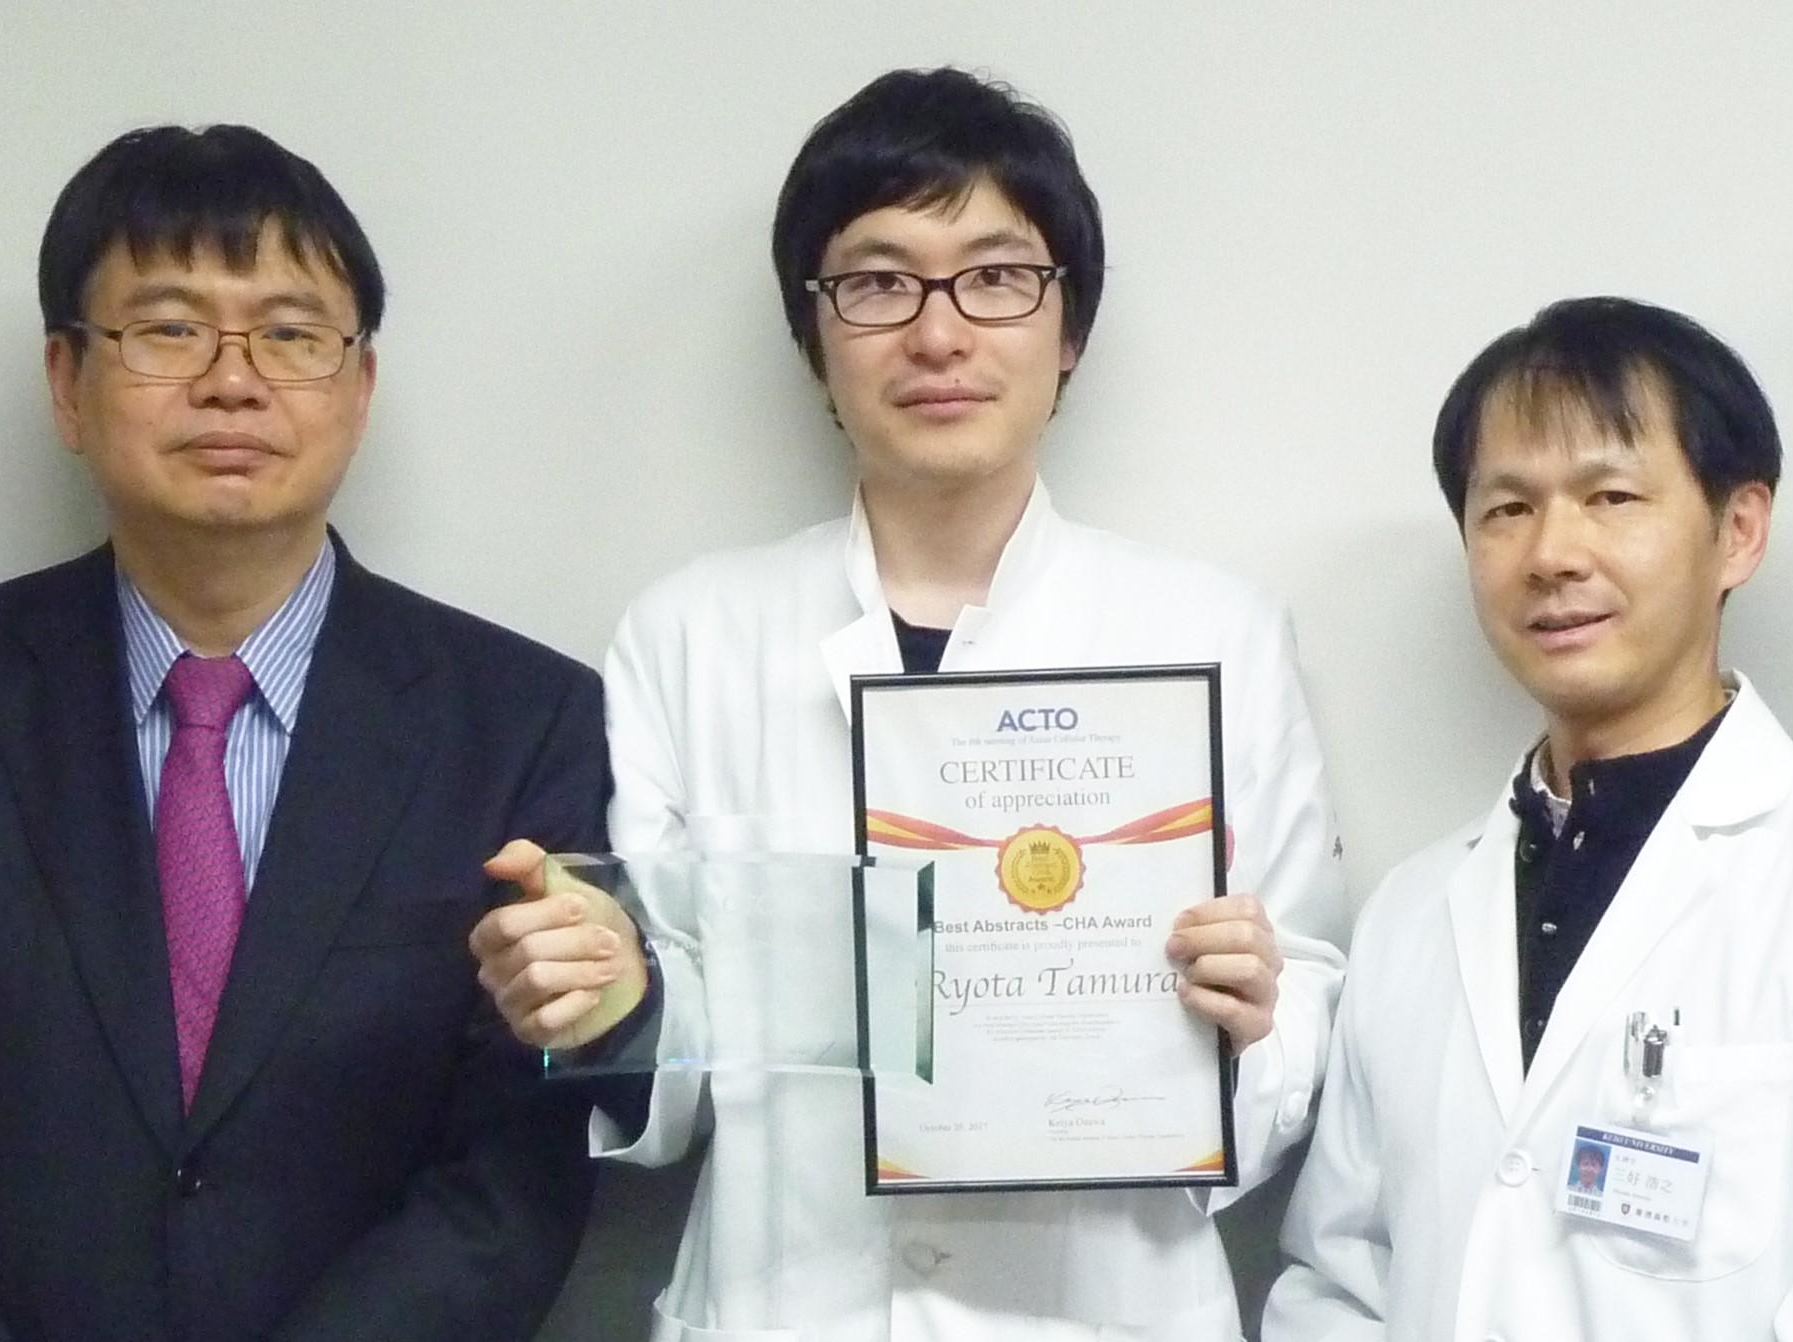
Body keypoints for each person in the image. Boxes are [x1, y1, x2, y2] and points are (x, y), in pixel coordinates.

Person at [471, 67, 1348, 1340]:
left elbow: (1304, 996)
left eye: (995, 277)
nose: (937, 335)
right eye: (877, 283)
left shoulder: (1212, 634)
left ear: (1068, 327)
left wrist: (1247, 1019)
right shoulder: (689, 635)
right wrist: (610, 995)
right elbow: (681, 1069)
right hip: (783, 1301)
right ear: (812, 334)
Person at [0, 123, 606, 1342]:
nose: (231, 380)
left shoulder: (521, 720)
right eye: (167, 328)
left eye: (290, 334)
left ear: (358, 388)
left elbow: (517, 1163)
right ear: (66, 380)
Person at [1264, 297, 1793, 1340]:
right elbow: (1337, 1279)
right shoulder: (1411, 913)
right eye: (1505, 509)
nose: (1550, 553)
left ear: (1738, 530)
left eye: (1609, 496)